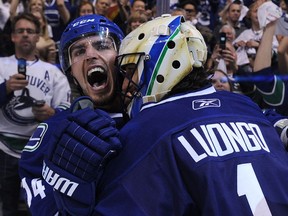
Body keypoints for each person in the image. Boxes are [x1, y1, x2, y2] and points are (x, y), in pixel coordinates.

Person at [37, 14, 288, 215]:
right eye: (78, 51)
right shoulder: (244, 106)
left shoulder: (145, 130)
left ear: (161, 65)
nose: (127, 84)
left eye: (130, 71)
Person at [18, 14, 125, 215]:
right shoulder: (53, 130)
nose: (90, 55)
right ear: (71, 72)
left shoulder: (150, 117)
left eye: (102, 46)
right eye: (79, 51)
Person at [0, 12, 71, 216]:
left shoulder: (54, 72)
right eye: (20, 31)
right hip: (5, 148)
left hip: (41, 151)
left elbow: (66, 113)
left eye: (30, 31)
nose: (25, 35)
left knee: (41, 207)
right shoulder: (1, 65)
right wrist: (4, 89)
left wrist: (52, 114)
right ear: (13, 36)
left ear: (38, 37)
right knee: (8, 206)